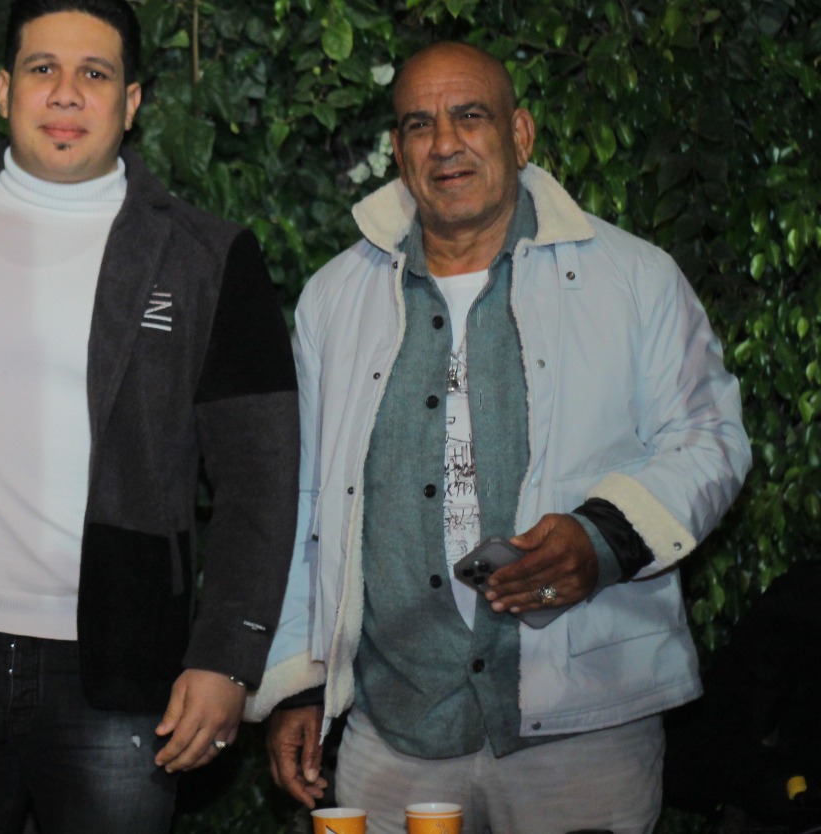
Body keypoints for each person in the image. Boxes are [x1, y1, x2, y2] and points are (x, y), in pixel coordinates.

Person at [252, 41, 751, 834]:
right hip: (395, 731)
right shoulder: (336, 298)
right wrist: (301, 682)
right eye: (419, 125)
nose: (444, 143)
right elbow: (304, 501)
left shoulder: (632, 277)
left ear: (520, 134)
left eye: (469, 116)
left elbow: (711, 439)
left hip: (584, 732)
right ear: (397, 151)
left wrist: (603, 540)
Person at [0, 0, 300, 833]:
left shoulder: (206, 258)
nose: (65, 93)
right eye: (42, 69)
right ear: (3, 90)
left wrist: (228, 657)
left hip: (122, 669)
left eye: (94, 74)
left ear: (131, 103)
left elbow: (261, 481)